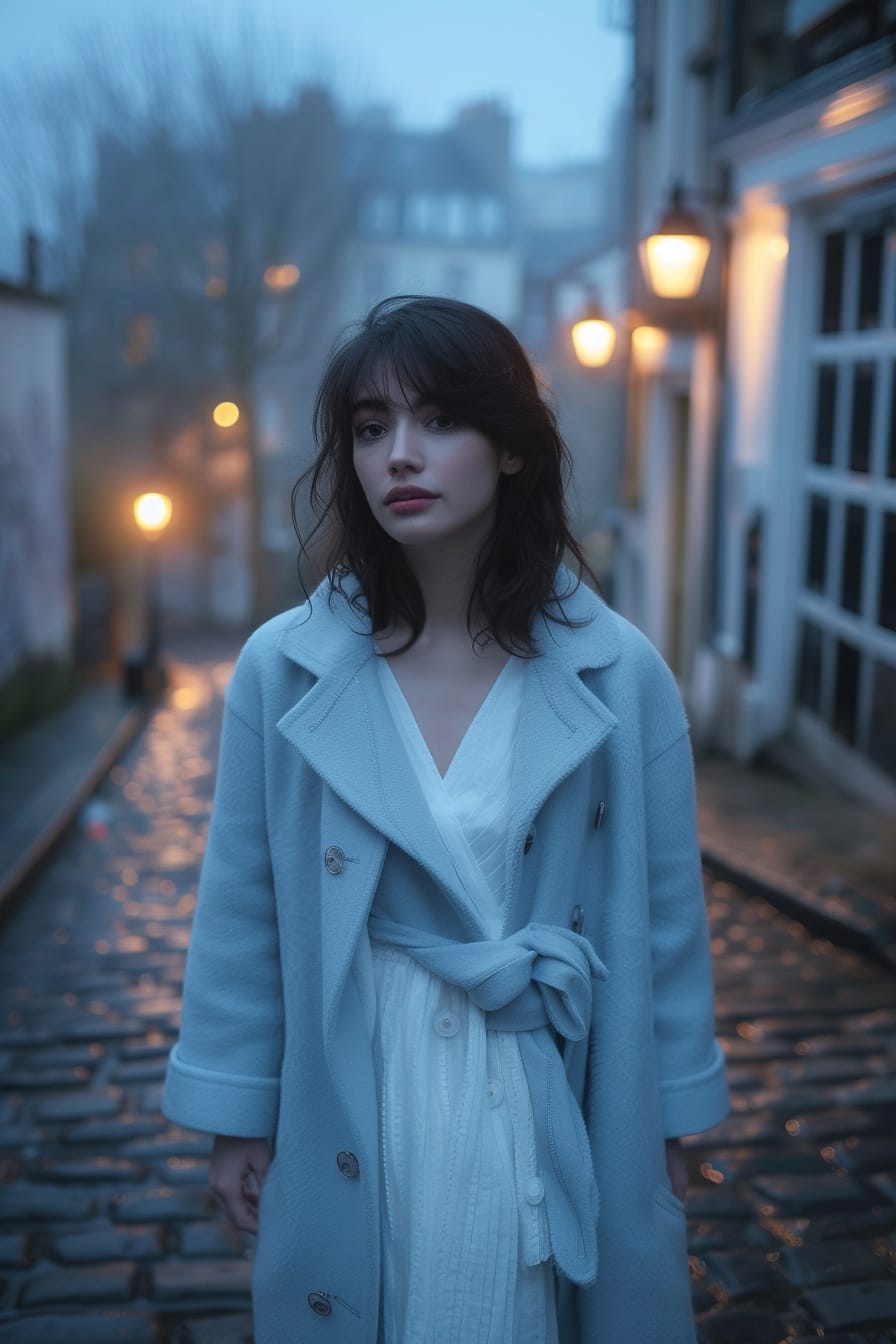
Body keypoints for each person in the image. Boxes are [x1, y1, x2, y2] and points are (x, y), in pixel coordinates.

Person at [162, 295, 729, 1344]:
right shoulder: (282, 670)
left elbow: (660, 917)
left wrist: (665, 1112)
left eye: (437, 422)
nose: (399, 458)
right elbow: (242, 904)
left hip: (538, 1073)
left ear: (511, 448)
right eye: (371, 430)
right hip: (357, 1078)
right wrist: (237, 1115)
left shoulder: (620, 673)